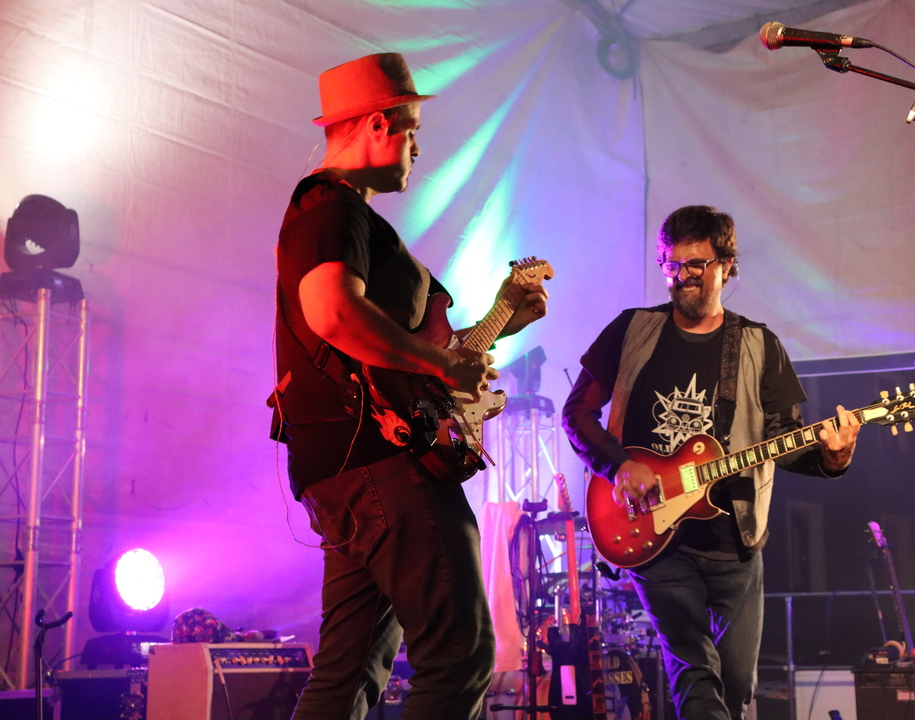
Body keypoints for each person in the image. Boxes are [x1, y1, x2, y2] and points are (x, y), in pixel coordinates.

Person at [271, 53, 548, 720]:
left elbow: (408, 356)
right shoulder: (331, 206)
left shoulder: (339, 214)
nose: (419, 148)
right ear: (377, 123)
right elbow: (333, 313)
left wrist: (499, 321)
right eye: (413, 129)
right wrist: (444, 367)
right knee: (460, 656)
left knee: (346, 675)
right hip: (382, 462)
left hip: (350, 466)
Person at [561, 205, 859, 720]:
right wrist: (618, 466)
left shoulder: (759, 344)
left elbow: (783, 438)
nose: (682, 276)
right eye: (671, 265)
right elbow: (577, 413)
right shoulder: (630, 330)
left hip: (734, 540)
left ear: (727, 265)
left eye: (696, 264)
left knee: (737, 682)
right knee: (695, 670)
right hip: (652, 534)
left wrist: (833, 458)